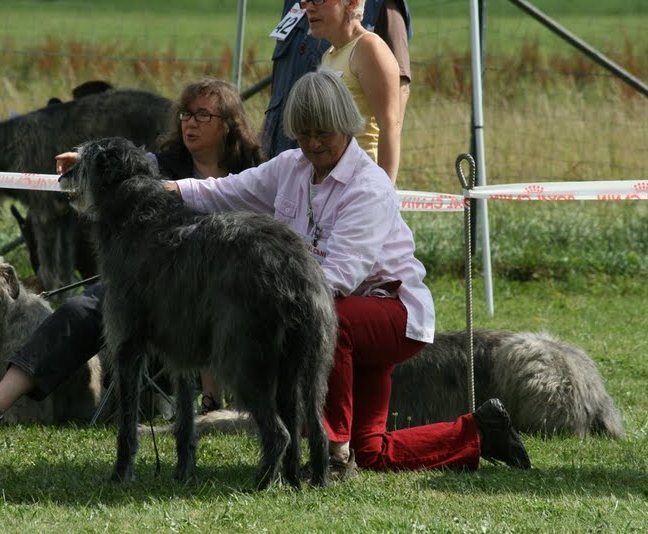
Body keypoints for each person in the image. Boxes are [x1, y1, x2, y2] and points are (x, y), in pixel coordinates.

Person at [164, 70, 530, 475]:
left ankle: (333, 454)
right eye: (303, 134)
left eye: (323, 133)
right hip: (352, 315)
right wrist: (170, 190)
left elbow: (337, 278)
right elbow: (227, 191)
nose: (313, 144)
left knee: (327, 322)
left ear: (346, 125)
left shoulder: (368, 187)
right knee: (371, 453)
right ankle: (480, 434)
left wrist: (262, 298)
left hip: (392, 314)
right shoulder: (290, 166)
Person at [0, 78, 264, 430]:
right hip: (144, 285)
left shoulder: (256, 174)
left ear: (228, 123)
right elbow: (119, 163)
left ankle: (216, 401)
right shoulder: (157, 166)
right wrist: (85, 160)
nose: (189, 122)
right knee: (75, 311)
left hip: (222, 291)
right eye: (185, 114)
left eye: (202, 115)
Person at [264, 0, 411, 184]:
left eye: (318, 0)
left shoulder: (369, 47)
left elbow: (390, 125)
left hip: (361, 185)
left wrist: (384, 191)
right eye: (305, 1)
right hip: (332, 184)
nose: (308, 8)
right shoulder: (328, 56)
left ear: (351, 3)